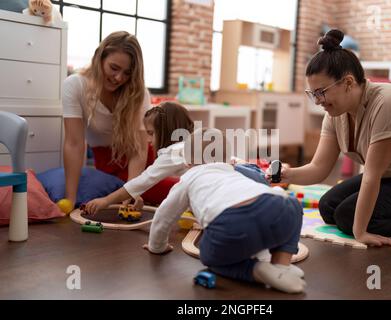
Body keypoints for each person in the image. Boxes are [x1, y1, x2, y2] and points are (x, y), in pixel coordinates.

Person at [279, 29, 391, 247]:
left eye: (321, 92)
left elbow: (372, 176)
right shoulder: (335, 113)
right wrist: (285, 175)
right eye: (313, 94)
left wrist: (360, 233)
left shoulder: (387, 101)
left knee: (348, 217)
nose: (318, 101)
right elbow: (319, 168)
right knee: (328, 206)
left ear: (348, 82)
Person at [141, 128, 306, 294]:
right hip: (276, 208)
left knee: (209, 257)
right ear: (229, 160)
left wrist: (157, 246)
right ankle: (282, 265)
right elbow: (262, 181)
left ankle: (256, 271)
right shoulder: (234, 171)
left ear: (187, 163)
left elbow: (165, 215)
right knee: (292, 205)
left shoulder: (188, 179)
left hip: (231, 224)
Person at [62, 31, 177, 209]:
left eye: (127, 73)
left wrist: (132, 191)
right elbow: (74, 144)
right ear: (99, 57)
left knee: (177, 190)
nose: (119, 78)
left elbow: (139, 148)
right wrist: (70, 199)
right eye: (114, 68)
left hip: (140, 160)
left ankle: (222, 184)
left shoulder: (138, 93)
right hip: (108, 163)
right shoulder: (75, 85)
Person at [84, 101, 194, 212]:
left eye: (151, 133)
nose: (148, 140)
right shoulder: (187, 147)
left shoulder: (173, 152)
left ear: (166, 131)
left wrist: (106, 201)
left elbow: (144, 180)